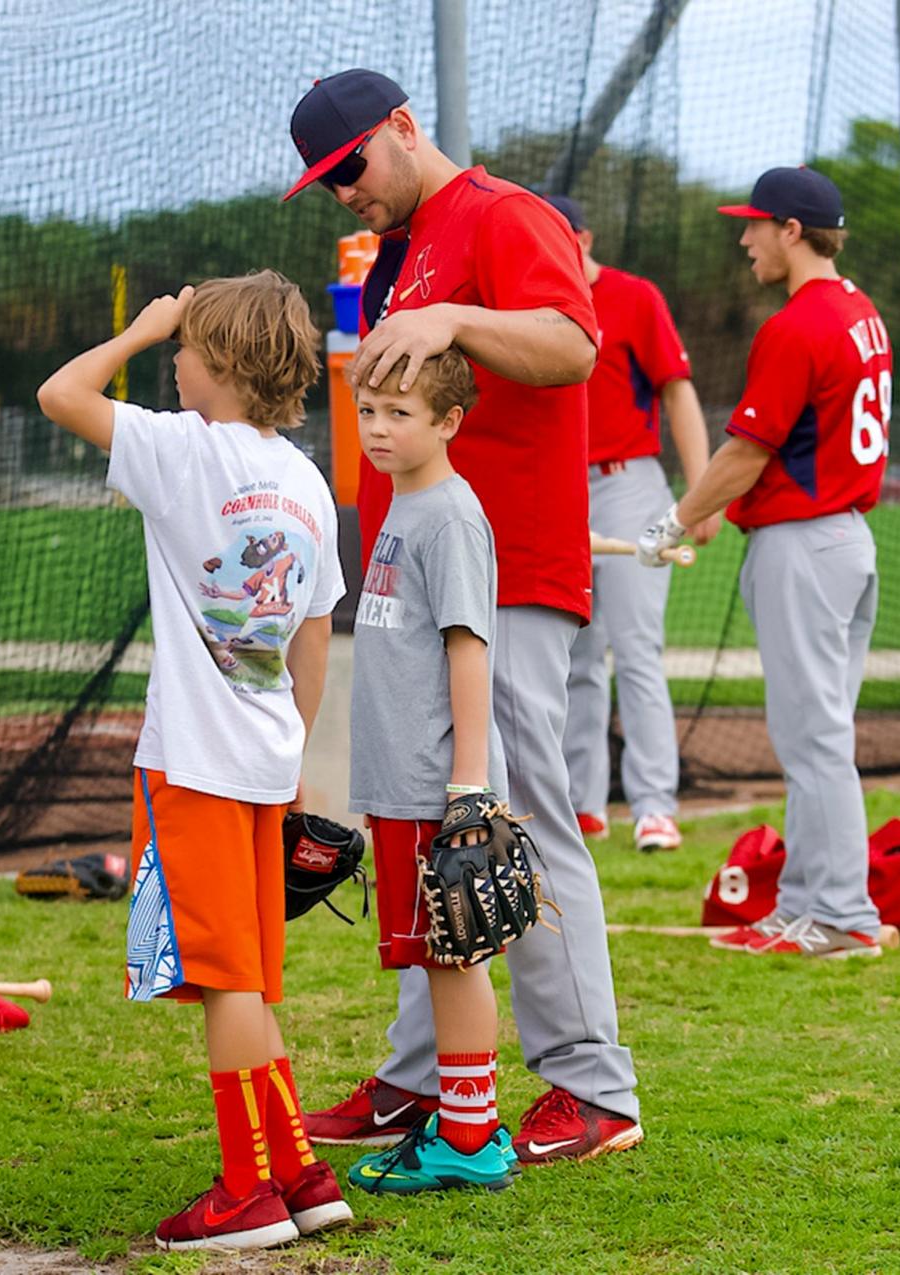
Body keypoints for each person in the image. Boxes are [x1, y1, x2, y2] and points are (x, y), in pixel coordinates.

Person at [284, 68, 643, 1163]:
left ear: (402, 127)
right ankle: (419, 1081)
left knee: (515, 814)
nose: (344, 191)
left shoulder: (501, 215)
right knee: (430, 826)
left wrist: (454, 313)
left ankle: (594, 1090)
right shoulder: (408, 246)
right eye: (324, 182)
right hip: (419, 574)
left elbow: (573, 347)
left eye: (350, 165)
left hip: (511, 566)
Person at [37, 271, 353, 1249]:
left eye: (185, 346)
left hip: (194, 764)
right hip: (264, 759)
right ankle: (299, 1172)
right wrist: (291, 756)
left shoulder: (181, 450)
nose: (172, 359)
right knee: (247, 975)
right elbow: (310, 650)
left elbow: (61, 394)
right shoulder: (305, 482)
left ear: (218, 360)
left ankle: (247, 1193)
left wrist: (141, 326)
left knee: (226, 981)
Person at [638, 166, 892, 958]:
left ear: (792, 229)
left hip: (805, 543)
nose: (745, 238)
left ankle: (841, 913)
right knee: (819, 735)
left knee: (815, 740)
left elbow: (747, 452)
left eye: (755, 224)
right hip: (844, 538)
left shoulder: (798, 324)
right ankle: (811, 904)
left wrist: (674, 517)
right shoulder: (861, 310)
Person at [344, 346, 515, 1194]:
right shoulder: (408, 503)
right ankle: (466, 1116)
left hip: (433, 779)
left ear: (448, 422)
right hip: (403, 777)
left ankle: (471, 1135)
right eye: (368, 409)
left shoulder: (447, 514)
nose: (377, 428)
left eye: (398, 413)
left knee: (454, 956)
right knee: (439, 957)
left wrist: (467, 785)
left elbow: (468, 648)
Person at [544, 195, 721, 851]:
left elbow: (678, 388)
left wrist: (700, 494)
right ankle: (583, 804)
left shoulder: (634, 296)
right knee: (576, 652)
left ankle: (653, 805)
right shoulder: (533, 303)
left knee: (636, 647)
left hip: (628, 482)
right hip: (561, 490)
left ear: (584, 237)